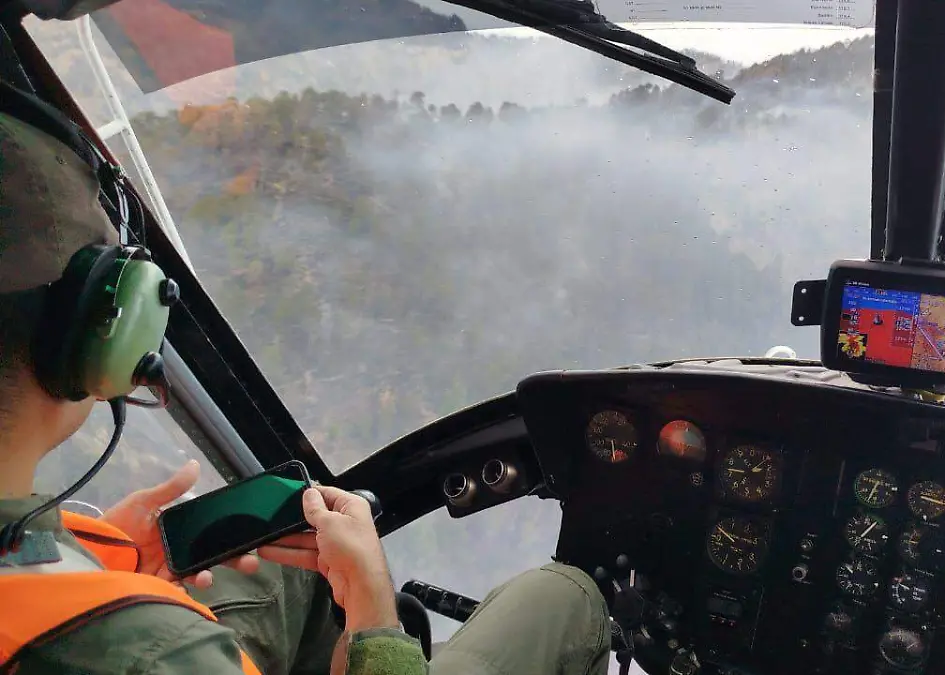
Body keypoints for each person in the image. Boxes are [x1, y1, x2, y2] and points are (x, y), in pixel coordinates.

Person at [0, 106, 611, 675]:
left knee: (294, 566)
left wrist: (91, 556)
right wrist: (373, 616)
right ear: (93, 341)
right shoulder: (152, 655)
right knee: (562, 595)